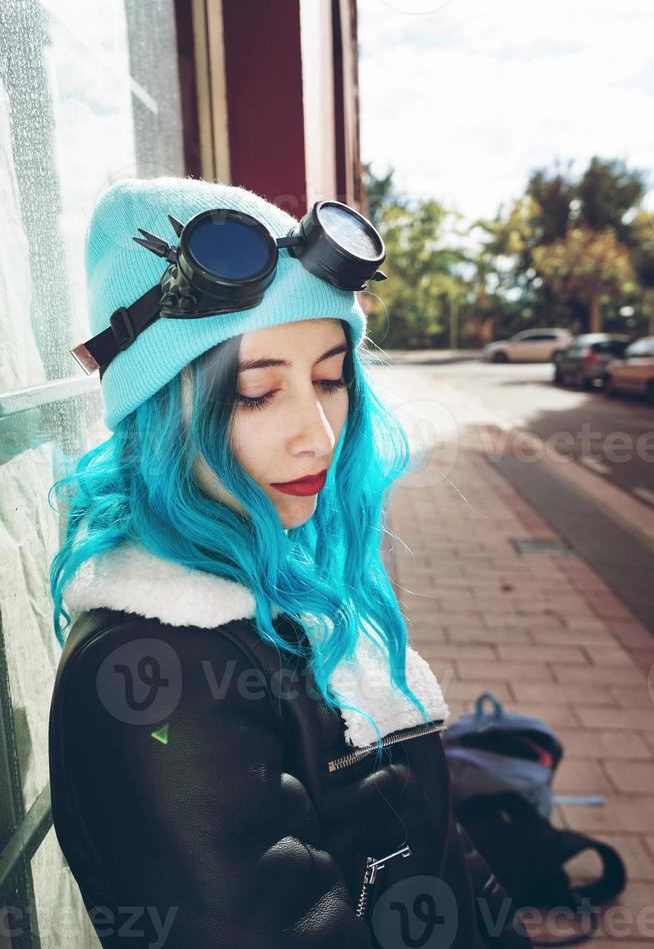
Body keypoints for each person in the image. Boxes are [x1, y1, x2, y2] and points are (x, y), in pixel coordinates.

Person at [47, 175, 533, 948]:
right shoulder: (155, 680)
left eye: (331, 379)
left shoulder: (286, 576)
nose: (317, 432)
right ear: (161, 412)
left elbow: (438, 844)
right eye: (255, 393)